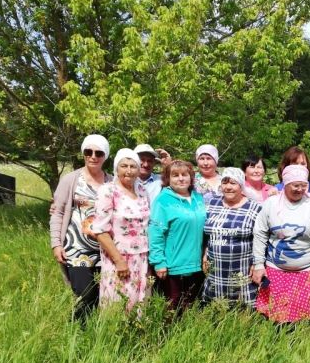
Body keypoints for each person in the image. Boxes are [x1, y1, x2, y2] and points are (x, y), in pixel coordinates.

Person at [252, 165, 310, 322]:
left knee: (305, 318)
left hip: (308, 271)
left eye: (304, 185)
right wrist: (259, 264)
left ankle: (304, 345)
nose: (300, 189)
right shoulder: (271, 204)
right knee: (276, 317)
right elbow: (260, 234)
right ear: (285, 184)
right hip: (276, 270)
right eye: (296, 185)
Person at [49, 134, 112, 321]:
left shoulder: (112, 182)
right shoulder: (71, 179)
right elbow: (58, 212)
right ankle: (78, 333)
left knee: (104, 298)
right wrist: (56, 244)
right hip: (76, 249)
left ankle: (97, 335)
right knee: (85, 295)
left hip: (105, 250)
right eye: (88, 151)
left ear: (105, 156)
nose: (93, 156)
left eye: (98, 153)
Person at [91, 149, 151, 311]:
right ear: (116, 168)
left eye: (133, 166)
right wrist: (119, 261)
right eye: (124, 166)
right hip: (119, 258)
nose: (129, 171)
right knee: (118, 304)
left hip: (142, 258)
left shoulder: (142, 190)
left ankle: (138, 336)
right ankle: (113, 336)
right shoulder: (108, 190)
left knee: (140, 305)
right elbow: (100, 231)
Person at [148, 160, 207, 313]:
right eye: (175, 175)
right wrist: (158, 262)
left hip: (196, 264)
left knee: (191, 307)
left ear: (191, 177)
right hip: (173, 265)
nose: (180, 178)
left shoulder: (198, 198)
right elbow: (156, 233)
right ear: (168, 179)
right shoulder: (163, 201)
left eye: (184, 174)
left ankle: (188, 336)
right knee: (172, 309)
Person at [202, 168, 263, 306]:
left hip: (242, 269)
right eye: (225, 182)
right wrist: (205, 252)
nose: (228, 187)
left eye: (233, 183)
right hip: (216, 269)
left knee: (242, 308)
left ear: (241, 186)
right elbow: (207, 233)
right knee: (215, 308)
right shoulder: (212, 203)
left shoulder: (255, 207)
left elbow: (260, 238)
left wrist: (257, 263)